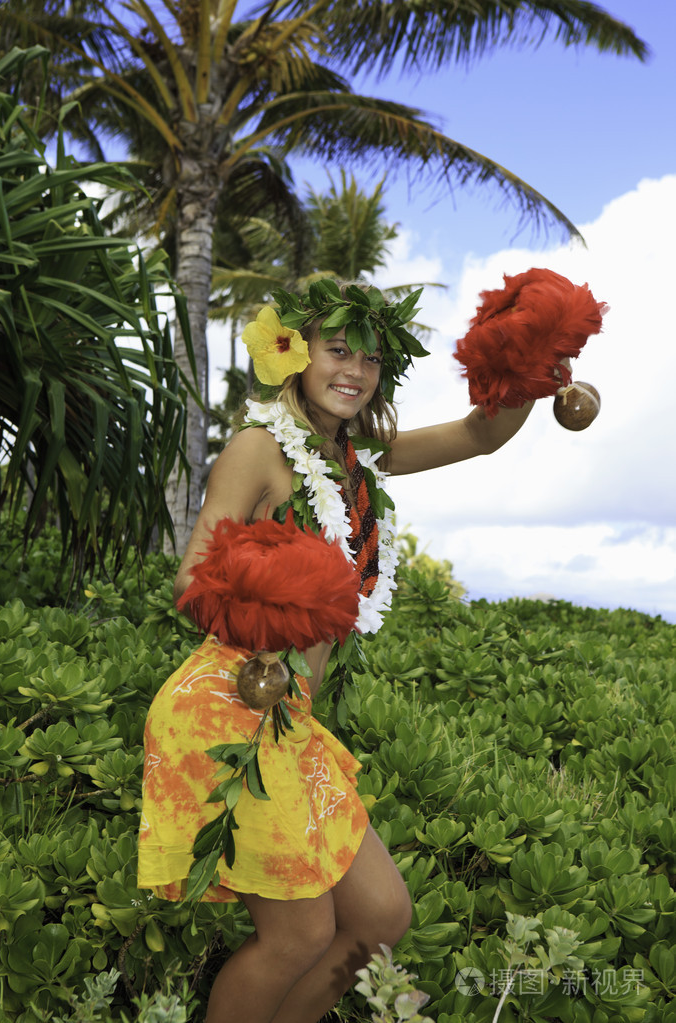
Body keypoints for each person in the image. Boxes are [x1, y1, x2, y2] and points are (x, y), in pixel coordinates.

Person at [137, 281, 542, 1023]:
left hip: (290, 719)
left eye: (372, 358)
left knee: (380, 916)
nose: (355, 370)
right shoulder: (258, 448)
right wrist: (282, 596)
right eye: (338, 350)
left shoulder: (358, 458)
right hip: (227, 706)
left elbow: (479, 434)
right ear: (295, 352)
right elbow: (191, 579)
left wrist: (527, 365)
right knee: (298, 935)